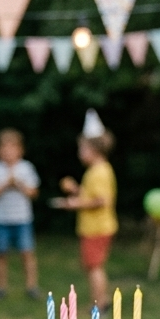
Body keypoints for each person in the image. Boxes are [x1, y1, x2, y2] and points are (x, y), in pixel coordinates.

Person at [55, 111, 118, 308]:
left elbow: (101, 200)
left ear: (93, 149)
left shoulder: (98, 172)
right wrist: (76, 190)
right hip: (96, 227)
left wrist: (73, 204)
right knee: (92, 266)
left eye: (82, 149)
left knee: (94, 267)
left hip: (97, 228)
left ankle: (100, 303)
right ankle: (99, 301)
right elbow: (92, 195)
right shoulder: (98, 170)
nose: (79, 153)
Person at [0, 128, 41, 299]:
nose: (8, 152)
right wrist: (4, 184)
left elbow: (33, 193)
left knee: (27, 253)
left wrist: (19, 184)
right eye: (4, 149)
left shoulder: (26, 168)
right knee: (1, 254)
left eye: (12, 148)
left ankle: (31, 286)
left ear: (20, 150)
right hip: (1, 219)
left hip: (22, 218)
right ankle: (1, 288)